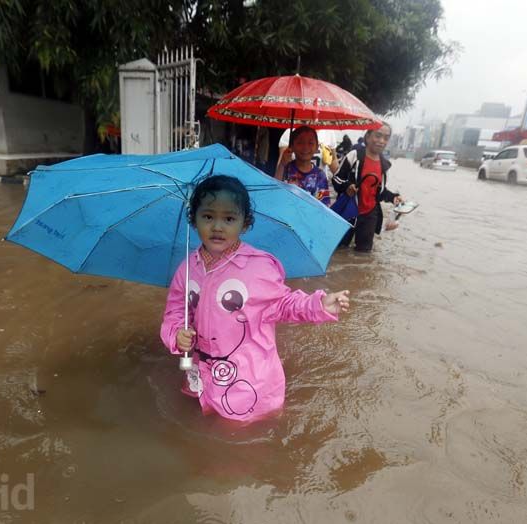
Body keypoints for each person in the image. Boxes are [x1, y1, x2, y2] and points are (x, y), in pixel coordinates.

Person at [160, 175, 350, 421]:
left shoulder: (258, 267)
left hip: (247, 377)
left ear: (245, 223)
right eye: (208, 216)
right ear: (193, 220)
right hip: (203, 370)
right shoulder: (187, 269)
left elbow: (283, 304)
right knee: (200, 422)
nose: (217, 226)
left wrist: (318, 303)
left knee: (239, 440)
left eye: (229, 218)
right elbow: (176, 311)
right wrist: (176, 334)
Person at [332, 122, 403, 252]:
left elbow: (380, 192)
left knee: (363, 254)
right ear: (368, 136)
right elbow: (336, 179)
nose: (381, 141)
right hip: (349, 211)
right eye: (378, 136)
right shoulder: (354, 156)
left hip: (370, 215)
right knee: (339, 250)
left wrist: (393, 197)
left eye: (386, 138)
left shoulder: (385, 165)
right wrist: (347, 186)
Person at [274, 126, 336, 205]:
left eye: (310, 143)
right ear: (291, 146)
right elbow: (275, 190)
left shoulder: (320, 176)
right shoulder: (285, 168)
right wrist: (282, 164)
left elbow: (324, 207)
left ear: (317, 147)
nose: (305, 147)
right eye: (300, 142)